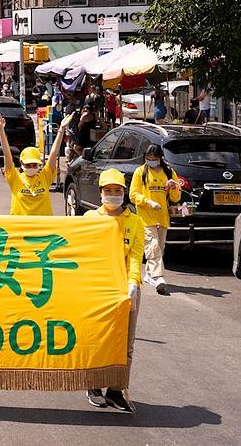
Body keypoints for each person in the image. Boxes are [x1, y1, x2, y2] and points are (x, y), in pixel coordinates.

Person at [83, 168, 143, 414]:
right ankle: (94, 386)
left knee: (125, 343)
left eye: (117, 191)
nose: (113, 195)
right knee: (99, 338)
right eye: (108, 191)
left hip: (126, 289)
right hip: (98, 289)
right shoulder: (89, 219)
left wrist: (133, 282)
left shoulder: (135, 222)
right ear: (100, 193)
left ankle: (117, 389)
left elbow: (136, 255)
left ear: (124, 193)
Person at [0, 110, 75, 216]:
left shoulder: (45, 177)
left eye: (34, 164)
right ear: (22, 164)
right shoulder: (15, 178)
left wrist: (61, 129)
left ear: (39, 165)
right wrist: (1, 129)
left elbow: (53, 153)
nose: (31, 167)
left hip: (43, 228)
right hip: (20, 228)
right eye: (28, 165)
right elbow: (7, 154)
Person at [130, 144, 181, 296]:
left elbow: (176, 197)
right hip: (145, 217)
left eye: (154, 159)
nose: (151, 161)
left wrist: (173, 187)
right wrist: (148, 202)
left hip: (162, 217)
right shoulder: (140, 172)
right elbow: (133, 194)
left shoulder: (169, 172)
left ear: (160, 158)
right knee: (152, 246)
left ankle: (149, 275)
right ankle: (159, 277)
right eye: (148, 158)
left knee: (159, 247)